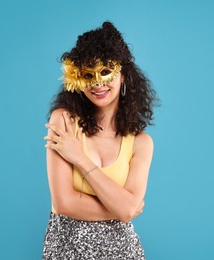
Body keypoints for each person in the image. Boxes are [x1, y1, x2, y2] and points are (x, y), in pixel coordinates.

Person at [42, 21, 157, 259]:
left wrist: (80, 159)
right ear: (78, 79)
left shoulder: (141, 143)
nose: (97, 83)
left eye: (106, 72)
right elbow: (64, 203)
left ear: (123, 75)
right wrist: (122, 208)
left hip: (124, 252)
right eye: (88, 74)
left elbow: (128, 208)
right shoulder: (63, 121)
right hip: (66, 251)